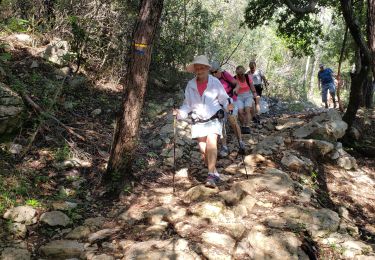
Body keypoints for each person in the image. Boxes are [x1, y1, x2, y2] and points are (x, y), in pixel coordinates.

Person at [173, 55, 233, 188]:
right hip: (198, 120)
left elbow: (224, 98)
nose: (199, 71)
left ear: (207, 69)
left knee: (212, 143)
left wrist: (229, 104)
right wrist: (180, 113)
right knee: (203, 151)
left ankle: (211, 175)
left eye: (202, 68)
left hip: (214, 117)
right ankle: (215, 172)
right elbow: (187, 105)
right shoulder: (190, 85)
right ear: (195, 70)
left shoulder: (214, 82)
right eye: (197, 68)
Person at [210, 62, 245, 157]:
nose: (213, 74)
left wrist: (235, 91)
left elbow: (237, 85)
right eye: (211, 72)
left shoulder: (225, 75)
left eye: (215, 72)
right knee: (221, 123)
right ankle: (224, 146)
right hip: (218, 104)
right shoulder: (211, 80)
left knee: (233, 119)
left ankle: (240, 142)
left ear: (219, 70)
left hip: (230, 101)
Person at [234, 65, 259, 133]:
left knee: (247, 109)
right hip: (239, 96)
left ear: (244, 72)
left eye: (241, 73)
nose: (240, 75)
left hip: (248, 95)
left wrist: (254, 93)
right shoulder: (235, 78)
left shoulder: (248, 77)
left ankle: (247, 126)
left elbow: (252, 86)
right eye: (238, 74)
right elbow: (233, 88)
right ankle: (243, 125)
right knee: (240, 112)